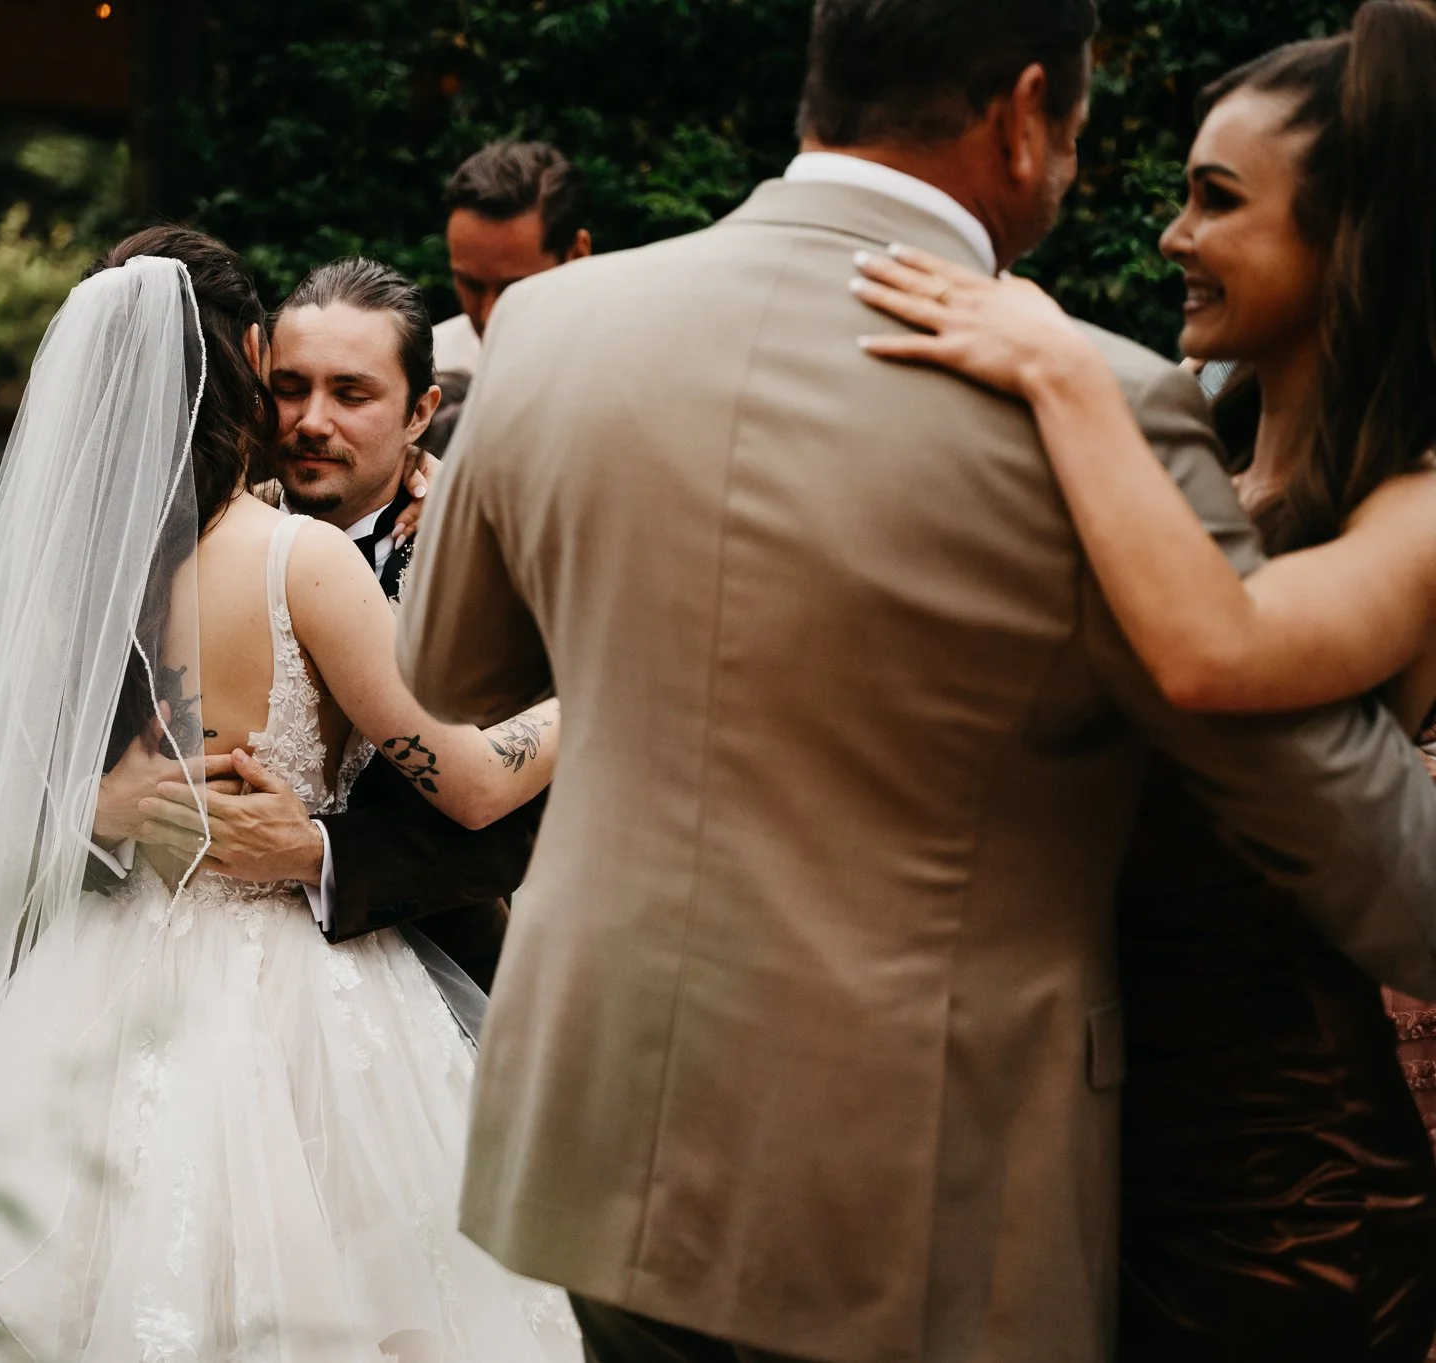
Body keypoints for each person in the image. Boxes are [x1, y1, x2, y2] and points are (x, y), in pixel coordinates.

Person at [397, 1, 1436, 1361]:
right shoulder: (1103, 402)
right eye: (1077, 129)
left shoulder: (548, 327)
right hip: (923, 1191)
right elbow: (1371, 860)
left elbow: (449, 669)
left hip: (609, 1148)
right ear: (1020, 114)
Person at [0, 227, 580, 1362]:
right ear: (248, 357)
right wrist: (596, 688)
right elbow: (473, 783)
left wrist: (96, 803)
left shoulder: (72, 574)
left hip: (98, 970)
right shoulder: (299, 562)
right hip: (295, 988)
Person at [849, 3, 1436, 1358]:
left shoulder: (1413, 504)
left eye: (1215, 201)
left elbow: (1215, 651)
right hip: (1098, 1115)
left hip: (1285, 1180)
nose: (1172, 236)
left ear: (1353, 235)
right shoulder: (1195, 442)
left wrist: (1063, 369)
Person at [132, 256, 542, 994]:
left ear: (420, 412)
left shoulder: (498, 563)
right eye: (290, 388)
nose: (312, 421)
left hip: (448, 985)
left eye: (351, 394)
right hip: (186, 975)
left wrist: (320, 853)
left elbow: (530, 817)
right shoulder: (203, 532)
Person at [425, 141, 592, 454]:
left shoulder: (632, 374)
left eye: (514, 290)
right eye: (470, 285)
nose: (489, 315)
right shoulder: (426, 368)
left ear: (577, 256)